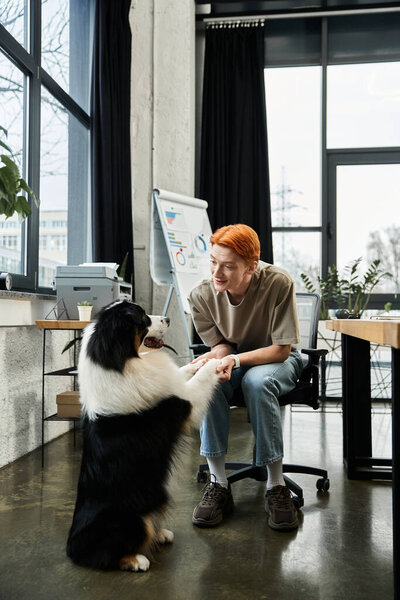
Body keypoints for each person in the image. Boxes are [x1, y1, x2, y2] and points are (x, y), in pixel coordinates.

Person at [188, 224, 304, 531]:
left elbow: (280, 350)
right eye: (213, 261)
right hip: (235, 360)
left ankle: (276, 486)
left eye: (228, 266)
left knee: (257, 381)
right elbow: (221, 345)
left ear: (251, 267)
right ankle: (219, 484)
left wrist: (234, 359)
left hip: (278, 359)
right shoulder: (200, 295)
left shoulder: (278, 283)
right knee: (209, 379)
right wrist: (218, 358)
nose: (217, 272)